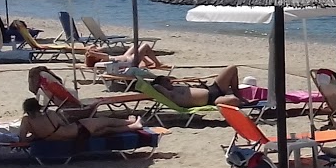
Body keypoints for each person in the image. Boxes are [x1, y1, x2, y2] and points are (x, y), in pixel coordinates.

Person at [19, 97, 147, 141]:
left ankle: (133, 125)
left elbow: (22, 138)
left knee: (107, 129)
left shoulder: (27, 121)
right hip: (77, 131)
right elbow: (64, 123)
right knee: (105, 121)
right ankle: (130, 122)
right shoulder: (49, 114)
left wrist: (35, 136)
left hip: (63, 138)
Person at [147, 68, 243, 108]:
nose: (169, 81)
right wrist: (157, 83)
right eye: (166, 81)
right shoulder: (171, 95)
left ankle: (240, 95)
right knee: (234, 100)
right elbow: (155, 86)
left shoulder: (174, 88)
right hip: (212, 100)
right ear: (162, 85)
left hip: (212, 88)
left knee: (232, 68)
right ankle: (240, 99)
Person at [84, 42, 168, 75]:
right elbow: (102, 55)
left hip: (125, 58)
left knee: (135, 46)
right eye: (95, 50)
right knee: (145, 45)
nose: (97, 50)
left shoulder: (101, 62)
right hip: (130, 62)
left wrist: (91, 51)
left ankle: (147, 62)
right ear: (95, 56)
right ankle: (157, 63)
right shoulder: (103, 60)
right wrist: (91, 51)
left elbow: (89, 57)